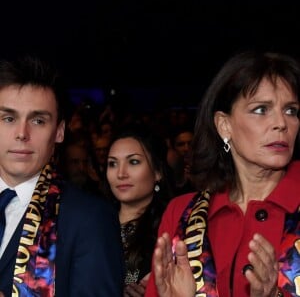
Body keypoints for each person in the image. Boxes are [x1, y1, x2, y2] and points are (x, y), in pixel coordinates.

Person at [145, 51, 300, 297]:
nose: (281, 123)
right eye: (261, 109)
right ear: (224, 125)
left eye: (291, 110)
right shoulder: (182, 214)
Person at [0, 56, 124, 296]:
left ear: (58, 131)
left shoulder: (90, 219)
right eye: (8, 118)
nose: (22, 133)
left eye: (38, 120)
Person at [105, 123, 174, 296]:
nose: (121, 173)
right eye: (112, 164)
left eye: (133, 162)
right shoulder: (94, 222)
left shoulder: (172, 227)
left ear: (157, 172)